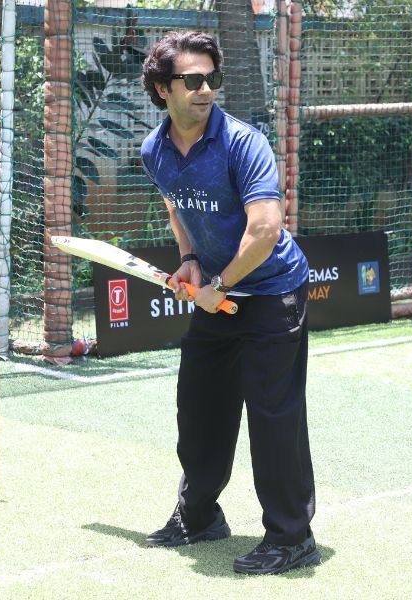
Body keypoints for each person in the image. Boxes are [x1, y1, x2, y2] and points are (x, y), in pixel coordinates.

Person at [139, 30, 319, 575]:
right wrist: (191, 258)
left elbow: (265, 229)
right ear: (162, 89)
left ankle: (292, 537)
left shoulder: (244, 143)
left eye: (211, 79)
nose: (205, 90)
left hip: (273, 293)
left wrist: (219, 283)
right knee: (198, 408)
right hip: (217, 293)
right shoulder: (154, 150)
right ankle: (198, 517)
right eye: (192, 80)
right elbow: (177, 208)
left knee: (273, 416)